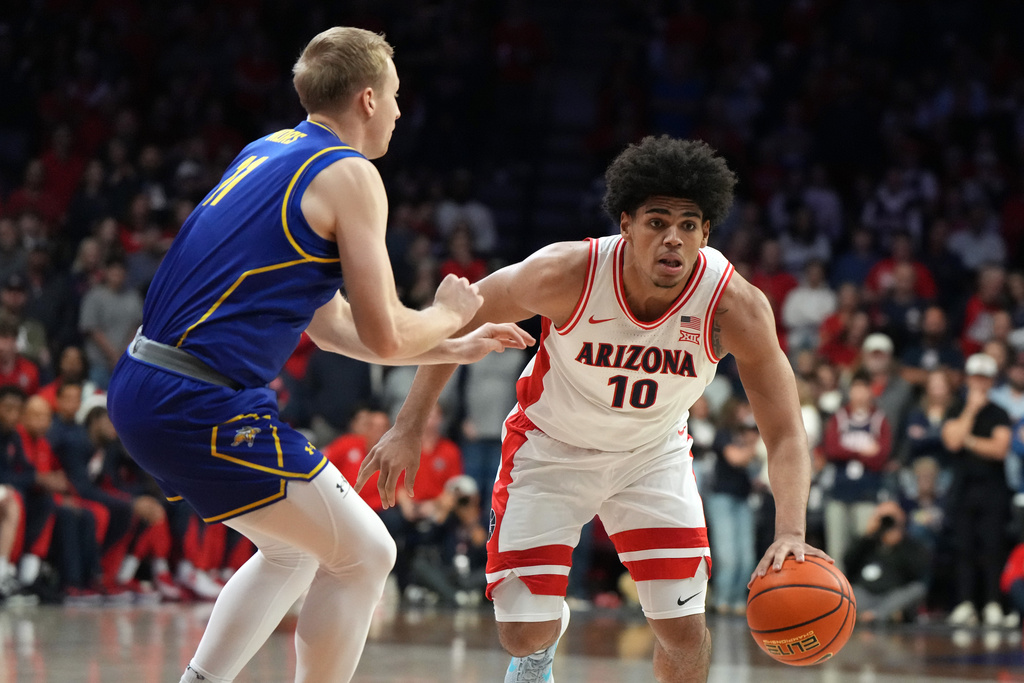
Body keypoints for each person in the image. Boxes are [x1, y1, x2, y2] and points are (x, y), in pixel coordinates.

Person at [105, 26, 532, 683]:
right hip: (200, 398)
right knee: (367, 553)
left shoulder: (267, 150)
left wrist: (449, 343)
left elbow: (332, 326)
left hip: (147, 383)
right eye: (394, 93)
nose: (397, 107)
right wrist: (451, 308)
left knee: (294, 550)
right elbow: (387, 331)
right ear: (366, 98)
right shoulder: (351, 175)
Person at [359, 136, 829, 683]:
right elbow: (459, 315)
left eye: (689, 224)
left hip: (651, 456)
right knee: (522, 632)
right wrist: (408, 425)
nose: (673, 238)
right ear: (626, 223)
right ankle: (538, 649)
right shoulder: (568, 273)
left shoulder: (734, 306)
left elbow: (788, 433)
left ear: (706, 232)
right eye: (657, 222)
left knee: (681, 633)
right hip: (551, 449)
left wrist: (790, 531)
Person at [942, 353, 1014, 627]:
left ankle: (994, 604)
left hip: (993, 489)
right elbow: (951, 441)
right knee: (963, 547)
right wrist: (970, 411)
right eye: (976, 377)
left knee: (992, 547)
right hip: (963, 488)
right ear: (968, 378)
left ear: (992, 381)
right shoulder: (956, 408)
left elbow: (999, 449)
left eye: (985, 378)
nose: (979, 383)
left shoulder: (998, 412)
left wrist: (968, 440)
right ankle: (965, 603)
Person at [843, 501, 929, 624]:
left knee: (917, 589)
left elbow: (917, 571)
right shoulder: (867, 542)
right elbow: (848, 563)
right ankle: (883, 616)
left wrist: (900, 542)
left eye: (891, 518)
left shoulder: (909, 543)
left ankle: (872, 616)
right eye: (883, 517)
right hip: (865, 594)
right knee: (846, 589)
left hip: (892, 595)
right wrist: (867, 535)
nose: (887, 522)